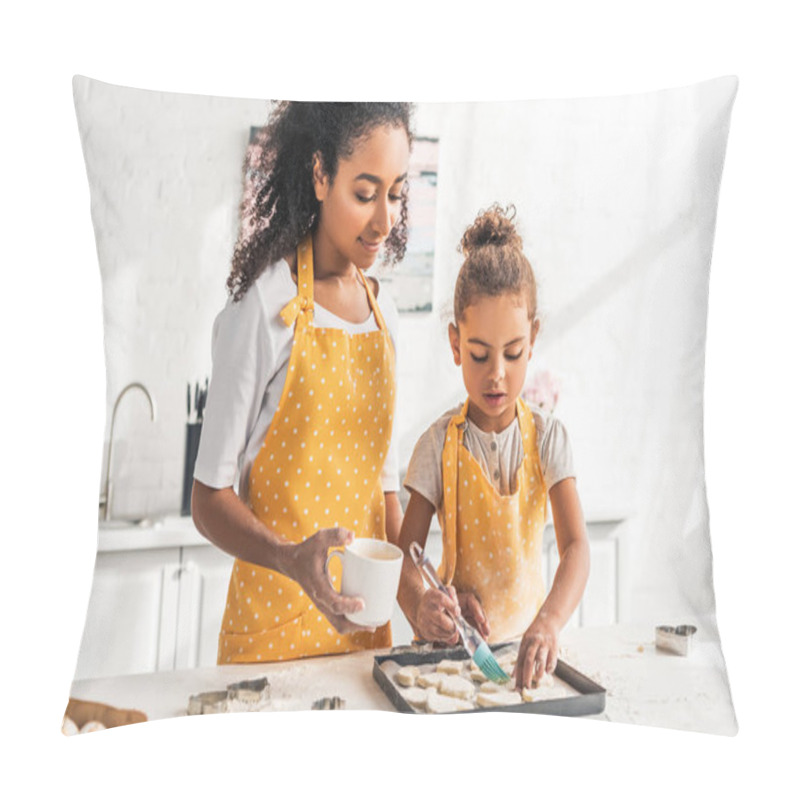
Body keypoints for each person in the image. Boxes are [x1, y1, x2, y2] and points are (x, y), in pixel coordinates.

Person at [192, 101, 413, 663]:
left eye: (396, 193)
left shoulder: (380, 315)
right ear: (320, 175)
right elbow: (208, 498)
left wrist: (417, 593)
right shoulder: (265, 306)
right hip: (270, 639)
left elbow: (383, 494)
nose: (385, 221)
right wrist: (292, 558)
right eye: (366, 194)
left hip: (362, 645)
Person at [397, 204, 590, 689]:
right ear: (456, 343)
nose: (497, 373)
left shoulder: (548, 439)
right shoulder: (437, 445)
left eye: (513, 352)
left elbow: (576, 548)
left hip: (529, 660)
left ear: (534, 339)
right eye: (479, 354)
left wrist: (548, 622)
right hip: (453, 662)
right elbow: (406, 557)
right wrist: (423, 604)